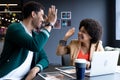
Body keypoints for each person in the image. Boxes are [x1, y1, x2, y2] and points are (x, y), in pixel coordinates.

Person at [0, 1, 57, 80]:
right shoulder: (14, 28)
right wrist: (50, 24)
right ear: (33, 14)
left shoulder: (34, 36)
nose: (43, 19)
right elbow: (35, 46)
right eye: (42, 16)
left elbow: (45, 59)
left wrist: (35, 69)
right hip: (5, 77)